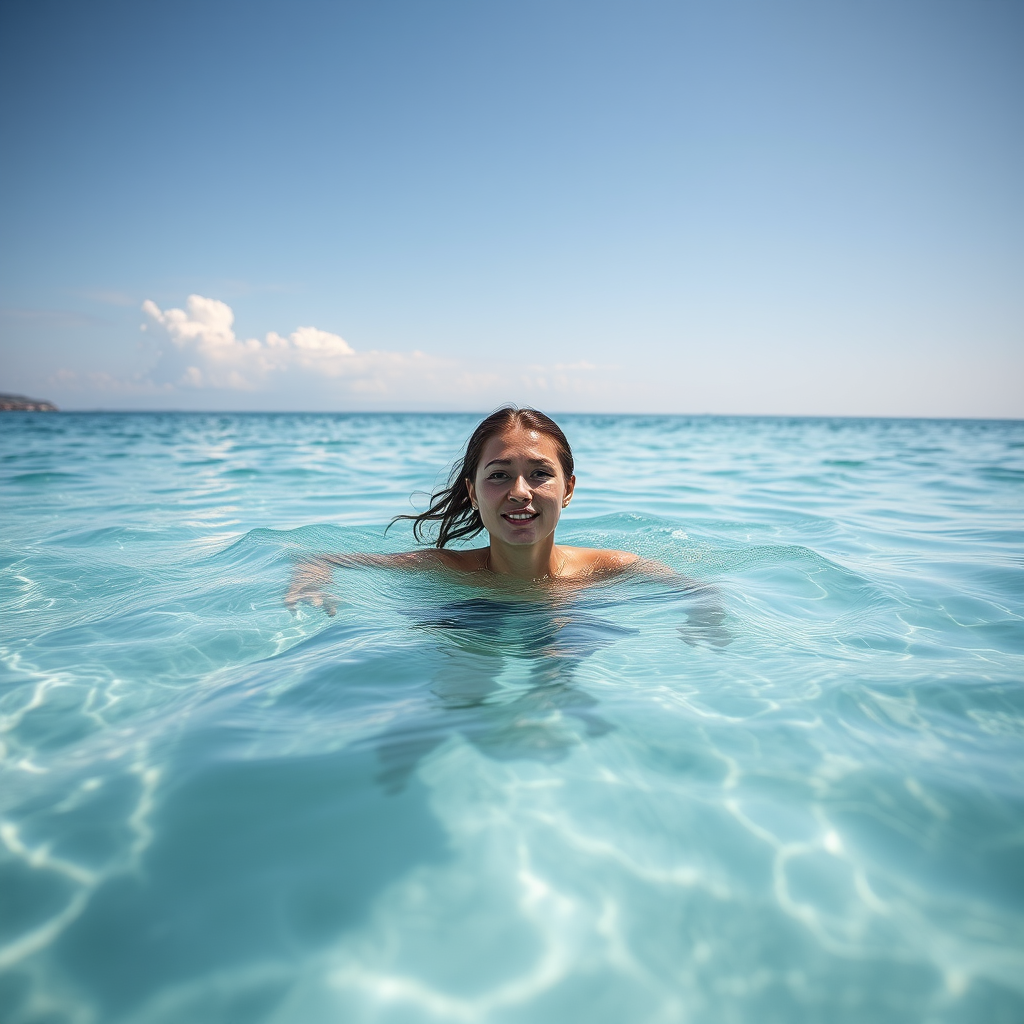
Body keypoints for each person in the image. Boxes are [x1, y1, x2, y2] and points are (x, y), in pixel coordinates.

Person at [285, 405, 645, 612]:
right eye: (500, 475)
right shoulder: (444, 569)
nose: (520, 492)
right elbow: (321, 558)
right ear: (472, 492)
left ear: (568, 488)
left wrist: (703, 608)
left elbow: (697, 593)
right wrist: (311, 576)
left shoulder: (610, 569)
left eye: (539, 474)